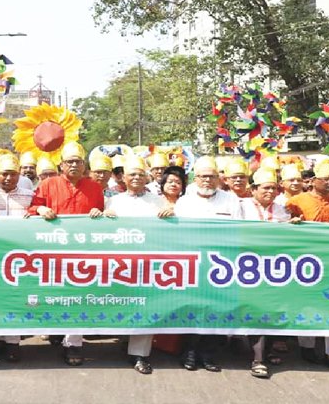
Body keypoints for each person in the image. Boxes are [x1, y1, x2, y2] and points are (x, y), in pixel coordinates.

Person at [28, 142, 104, 366]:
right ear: (61, 165)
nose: (73, 165)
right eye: (69, 161)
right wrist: (41, 209)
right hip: (52, 251)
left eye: (77, 161)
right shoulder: (48, 184)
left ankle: (74, 343)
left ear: (84, 166)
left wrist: (98, 212)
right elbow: (32, 208)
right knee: (54, 294)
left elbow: (101, 215)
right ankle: (55, 332)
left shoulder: (94, 187)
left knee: (79, 296)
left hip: (83, 252)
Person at [285, 159, 329, 376]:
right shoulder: (295, 202)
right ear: (313, 180)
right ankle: (306, 347)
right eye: (326, 179)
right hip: (305, 263)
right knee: (307, 303)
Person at [103, 156, 174, 374]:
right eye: (132, 174)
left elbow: (170, 226)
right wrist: (105, 217)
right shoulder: (114, 201)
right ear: (123, 177)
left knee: (145, 304)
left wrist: (171, 214)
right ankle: (121, 339)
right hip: (120, 263)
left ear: (147, 177)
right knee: (121, 302)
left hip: (149, 263)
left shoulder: (158, 200)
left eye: (140, 174)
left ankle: (140, 355)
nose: (136, 178)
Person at [174, 156, 239, 372]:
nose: (207, 181)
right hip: (194, 265)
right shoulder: (185, 201)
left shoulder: (231, 200)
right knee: (192, 309)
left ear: (219, 178)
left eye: (211, 176)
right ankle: (189, 352)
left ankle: (209, 355)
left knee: (215, 310)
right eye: (202, 176)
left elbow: (238, 231)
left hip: (222, 265)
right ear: (195, 179)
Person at [236, 168, 294, 378]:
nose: (271, 192)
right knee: (255, 312)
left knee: (272, 310)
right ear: (253, 189)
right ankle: (257, 359)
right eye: (265, 188)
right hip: (247, 266)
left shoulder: (281, 208)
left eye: (274, 188)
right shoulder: (241, 207)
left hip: (275, 268)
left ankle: (267, 352)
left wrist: (292, 227)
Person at [0, 153, 35, 362]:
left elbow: (36, 212)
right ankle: (1, 339)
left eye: (13, 174)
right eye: (4, 174)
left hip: (20, 256)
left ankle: (13, 343)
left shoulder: (28, 194)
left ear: (19, 174)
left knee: (15, 299)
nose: (8, 178)